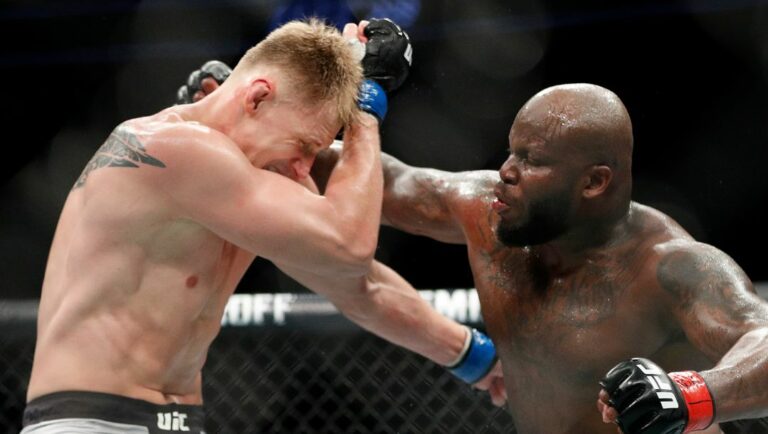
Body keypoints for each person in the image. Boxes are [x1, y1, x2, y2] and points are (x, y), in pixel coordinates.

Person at [22, 18, 502, 434]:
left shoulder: (239, 186)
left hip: (178, 421)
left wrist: (475, 357)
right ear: (256, 98)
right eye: (303, 146)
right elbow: (349, 242)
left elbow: (358, 284)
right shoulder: (172, 148)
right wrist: (366, 108)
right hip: (91, 422)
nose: (302, 169)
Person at [308, 83, 768, 433]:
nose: (507, 170)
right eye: (511, 150)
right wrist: (254, 121)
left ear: (593, 182)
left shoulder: (669, 267)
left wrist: (691, 395)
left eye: (533, 159)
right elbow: (388, 182)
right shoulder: (486, 212)